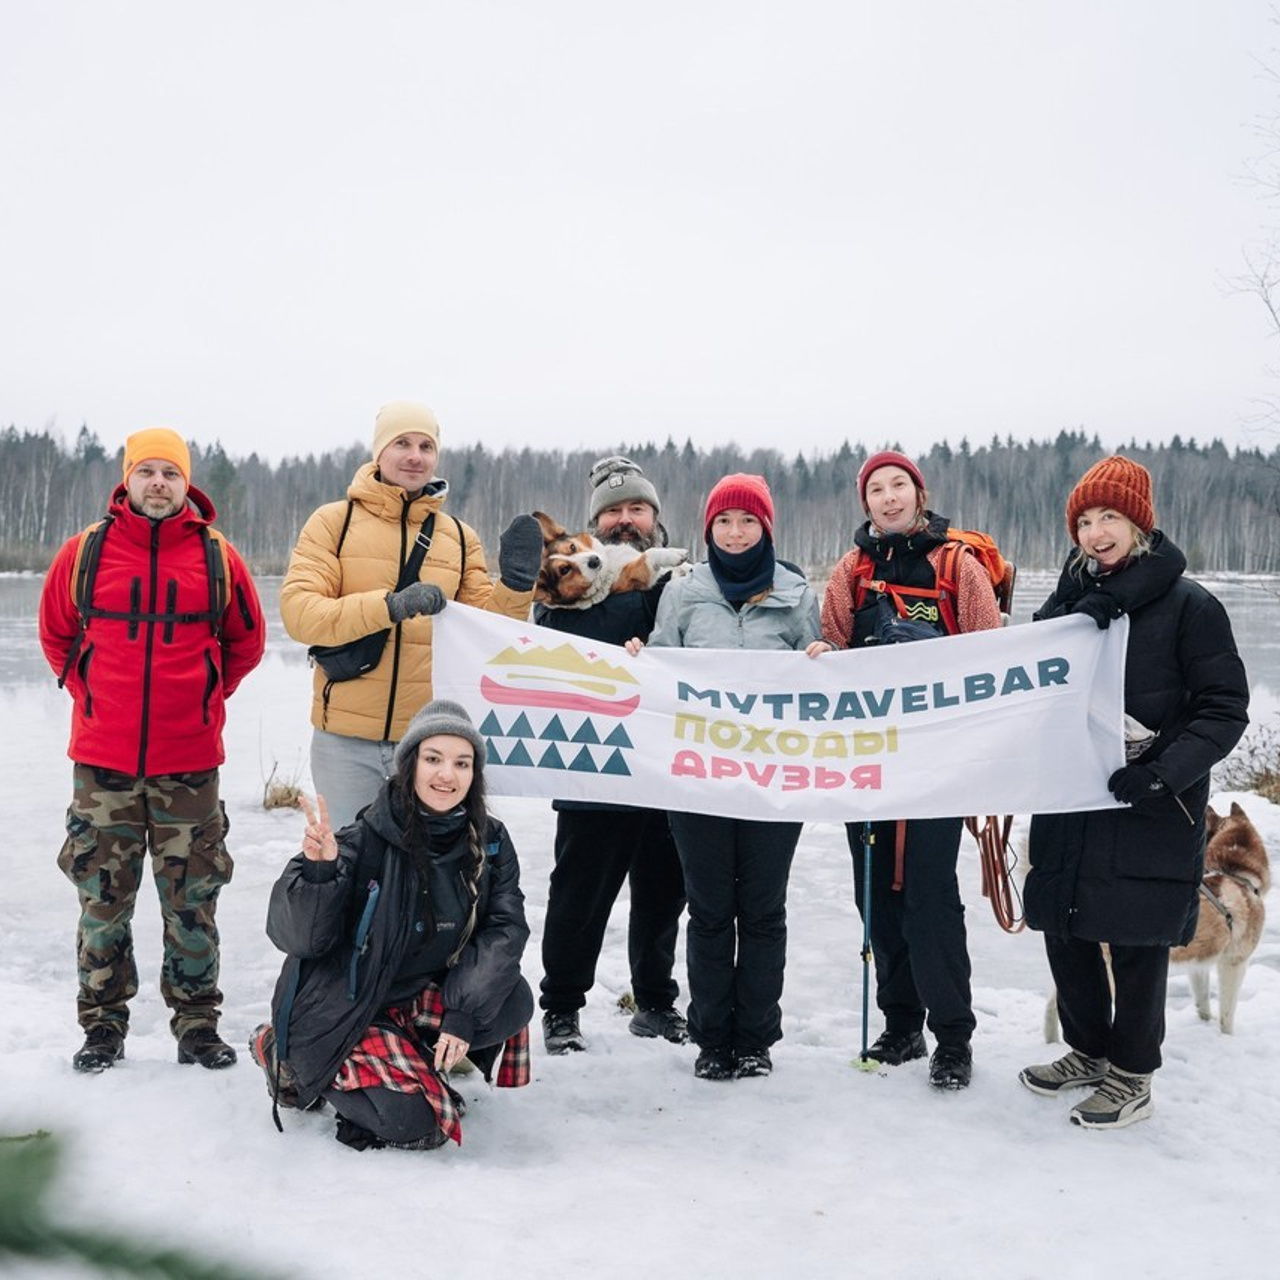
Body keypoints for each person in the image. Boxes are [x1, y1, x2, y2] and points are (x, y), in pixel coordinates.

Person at [1019, 455, 1248, 1128]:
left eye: (1109, 516)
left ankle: (1132, 1075)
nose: (1095, 532)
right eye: (1084, 521)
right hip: (1072, 796)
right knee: (1066, 926)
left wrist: (1160, 773)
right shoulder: (1065, 604)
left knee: (1137, 939)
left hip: (1149, 802)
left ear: (1139, 523)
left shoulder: (1190, 607)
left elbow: (1224, 709)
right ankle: (1087, 1051)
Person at [39, 428, 266, 1073]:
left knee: (192, 902)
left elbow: (246, 642)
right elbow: (57, 632)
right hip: (102, 763)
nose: (159, 483)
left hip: (189, 765)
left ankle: (197, 1025)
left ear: (186, 482)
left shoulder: (218, 556)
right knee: (102, 901)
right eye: (148, 472)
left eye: (171, 472)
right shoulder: (85, 553)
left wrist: (205, 696)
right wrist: (84, 687)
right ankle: (102, 1026)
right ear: (128, 480)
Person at [251, 699, 533, 1150]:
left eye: (462, 763)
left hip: (418, 991)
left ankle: (416, 1058)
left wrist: (460, 1014)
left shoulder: (490, 840)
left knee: (511, 1000)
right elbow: (297, 937)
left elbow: (506, 928)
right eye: (434, 759)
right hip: (348, 1005)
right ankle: (283, 1055)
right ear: (410, 764)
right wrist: (319, 873)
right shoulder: (362, 839)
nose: (447, 775)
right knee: (417, 1128)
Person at [809, 450, 1001, 1089]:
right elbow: (832, 642)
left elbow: (991, 656)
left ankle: (953, 1036)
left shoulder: (957, 565)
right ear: (865, 504)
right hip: (867, 766)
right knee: (877, 897)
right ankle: (901, 1024)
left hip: (937, 764)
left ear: (919, 494)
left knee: (929, 898)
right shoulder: (850, 570)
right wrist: (821, 655)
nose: (888, 498)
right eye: (876, 490)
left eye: (899, 486)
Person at [632, 474, 820, 1080]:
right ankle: (713, 1038)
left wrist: (821, 663)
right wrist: (638, 660)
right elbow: (660, 669)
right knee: (710, 909)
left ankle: (756, 1038)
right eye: (724, 522)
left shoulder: (796, 594)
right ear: (708, 529)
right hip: (699, 779)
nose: (736, 533)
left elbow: (819, 687)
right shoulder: (683, 594)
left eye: (748, 522)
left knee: (763, 911)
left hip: (774, 780)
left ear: (767, 528)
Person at [280, 401, 543, 829]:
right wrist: (390, 606)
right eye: (402, 443)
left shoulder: (458, 537)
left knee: (425, 874)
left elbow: (489, 638)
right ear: (379, 451)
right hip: (344, 743)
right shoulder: (333, 523)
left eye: (426, 445)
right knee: (348, 866)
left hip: (430, 743)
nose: (414, 455)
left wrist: (516, 586)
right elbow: (300, 613)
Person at [535, 456, 689, 1054]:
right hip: (593, 762)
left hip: (670, 767)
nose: (627, 520)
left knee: (663, 895)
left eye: (637, 509)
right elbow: (549, 636)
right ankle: (562, 1007)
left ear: (654, 516)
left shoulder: (684, 579)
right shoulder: (572, 577)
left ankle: (655, 1002)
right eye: (614, 511)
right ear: (597, 521)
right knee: (580, 893)